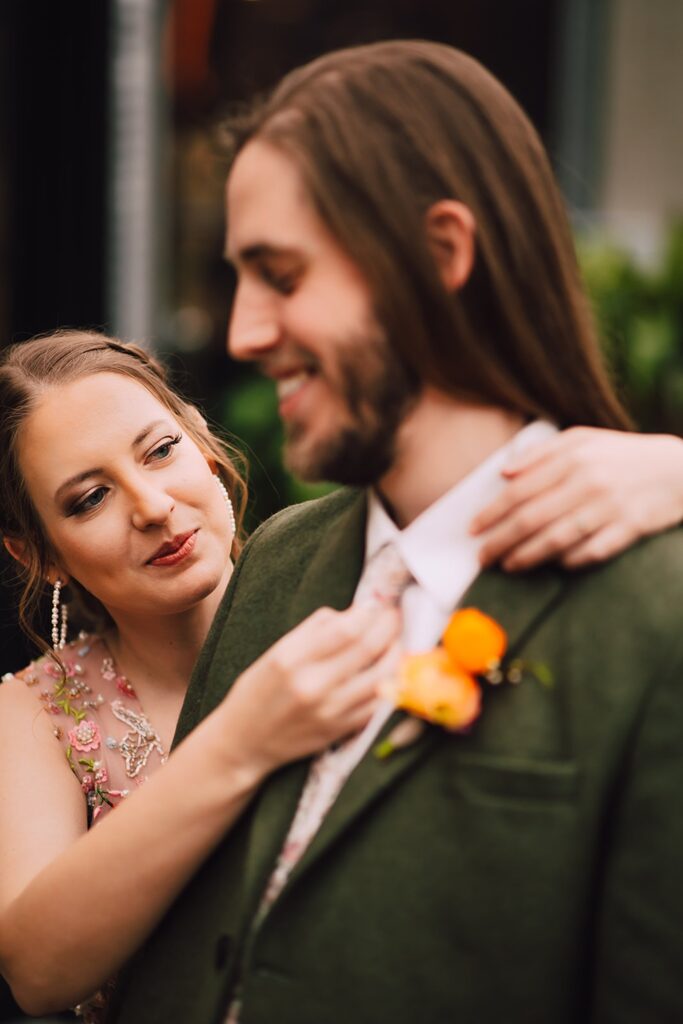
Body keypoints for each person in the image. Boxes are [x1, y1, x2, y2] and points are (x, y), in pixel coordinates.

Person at [107, 40, 683, 1024]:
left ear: (441, 252)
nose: (242, 332)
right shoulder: (278, 562)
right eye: (237, 278)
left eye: (280, 275)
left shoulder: (655, 606)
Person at [0, 330, 399, 1021]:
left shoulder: (358, 583)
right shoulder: (35, 713)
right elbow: (37, 972)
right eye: (89, 498)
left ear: (203, 441)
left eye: (160, 451)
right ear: (39, 556)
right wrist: (242, 740)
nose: (152, 506)